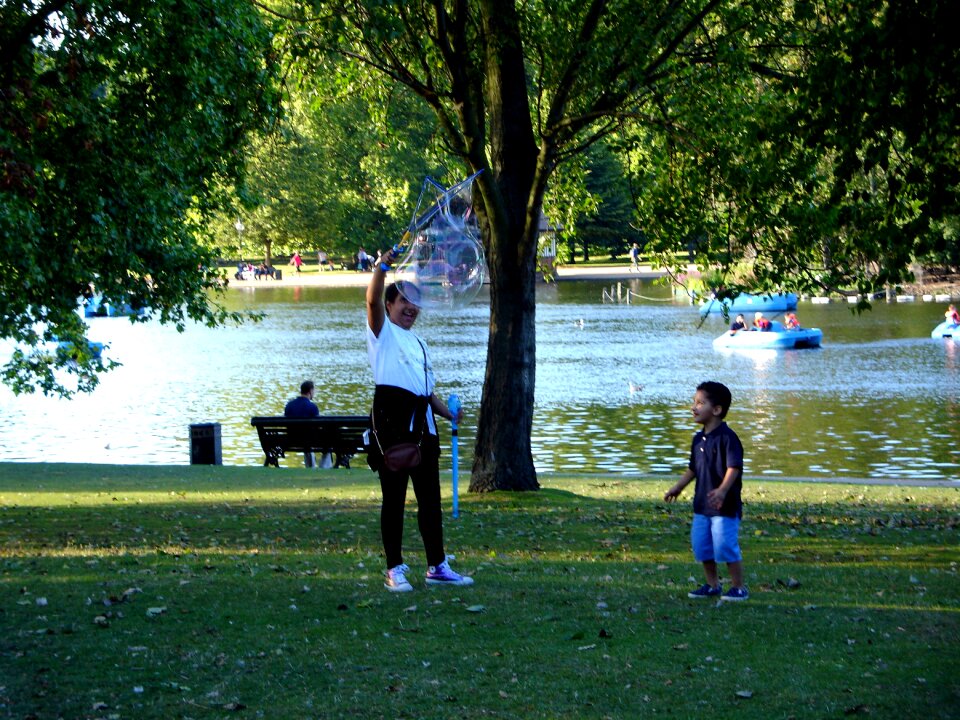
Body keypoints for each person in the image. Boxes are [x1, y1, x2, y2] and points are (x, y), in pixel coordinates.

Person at [365, 246, 473, 592]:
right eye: (404, 301)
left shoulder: (419, 342)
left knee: (430, 500)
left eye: (415, 302)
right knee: (394, 499)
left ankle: (437, 566)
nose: (411, 307)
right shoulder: (381, 333)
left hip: (424, 427)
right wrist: (382, 267)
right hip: (392, 423)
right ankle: (394, 569)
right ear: (391, 305)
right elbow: (371, 299)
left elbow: (427, 391)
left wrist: (448, 413)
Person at [664, 381, 748, 601]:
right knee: (702, 547)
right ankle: (712, 585)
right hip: (702, 505)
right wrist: (678, 487)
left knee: (725, 546)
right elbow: (693, 468)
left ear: (717, 410)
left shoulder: (728, 437)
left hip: (724, 507)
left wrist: (722, 491)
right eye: (694, 402)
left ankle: (738, 587)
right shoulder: (697, 439)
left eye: (700, 403)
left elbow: (734, 468)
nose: (694, 407)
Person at [284, 381, 331, 468]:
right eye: (314, 390)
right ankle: (323, 467)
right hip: (310, 440)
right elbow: (317, 426)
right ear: (310, 391)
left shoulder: (289, 405)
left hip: (291, 440)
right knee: (327, 443)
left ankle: (311, 467)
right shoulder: (312, 407)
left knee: (307, 443)